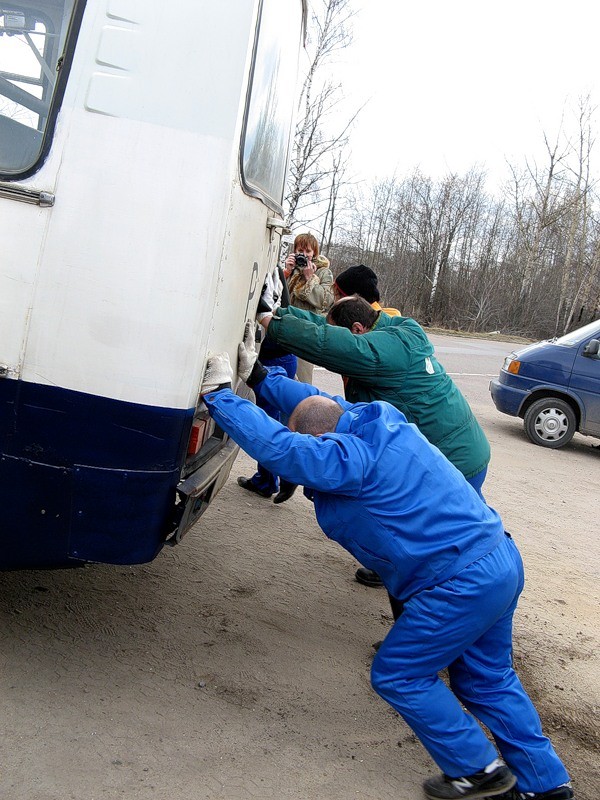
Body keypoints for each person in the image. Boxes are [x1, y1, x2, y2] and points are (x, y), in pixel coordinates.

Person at [198, 332, 574, 800]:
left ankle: (478, 771)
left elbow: (284, 449)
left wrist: (220, 398)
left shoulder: (346, 459)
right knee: (488, 679)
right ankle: (546, 783)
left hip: (457, 582)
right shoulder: (377, 423)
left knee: (398, 673)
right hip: (499, 559)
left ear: (323, 442)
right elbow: (318, 404)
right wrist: (261, 378)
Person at [259, 294, 491, 600]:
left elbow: (330, 344)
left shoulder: (381, 350)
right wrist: (281, 313)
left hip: (452, 458)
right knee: (457, 535)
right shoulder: (393, 329)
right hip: (463, 449)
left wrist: (271, 326)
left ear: (357, 328)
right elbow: (325, 328)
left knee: (430, 546)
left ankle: (433, 617)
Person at [236, 264, 297, 503]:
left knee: (268, 425)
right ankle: (275, 475)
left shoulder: (266, 271)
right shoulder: (278, 272)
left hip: (272, 355)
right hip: (285, 353)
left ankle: (275, 476)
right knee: (279, 420)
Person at [283, 233, 334, 384]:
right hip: (285, 327)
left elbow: (325, 301)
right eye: (300, 251)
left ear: (314, 253)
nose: (304, 255)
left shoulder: (323, 272)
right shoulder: (292, 270)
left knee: (302, 378)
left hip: (307, 331)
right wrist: (286, 272)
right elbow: (277, 295)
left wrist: (310, 278)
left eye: (308, 251)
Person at [333, 263, 401, 316]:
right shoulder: (393, 316)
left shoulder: (352, 326)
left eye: (336, 295)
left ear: (346, 300)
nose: (335, 301)